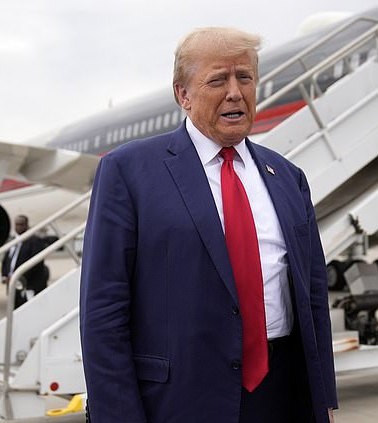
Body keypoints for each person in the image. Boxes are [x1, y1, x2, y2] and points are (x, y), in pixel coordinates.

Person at [80, 27, 337, 422]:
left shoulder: (288, 177)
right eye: (217, 80)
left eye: (245, 78)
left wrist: (322, 400)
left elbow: (313, 295)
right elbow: (103, 310)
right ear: (183, 94)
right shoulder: (128, 171)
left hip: (281, 394)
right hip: (178, 400)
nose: (235, 92)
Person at [1, 215, 49, 308]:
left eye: (21, 224)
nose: (19, 227)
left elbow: (36, 264)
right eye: (17, 224)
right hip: (13, 286)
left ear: (26, 225)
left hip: (28, 285)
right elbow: (6, 261)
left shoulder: (35, 241)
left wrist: (19, 277)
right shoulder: (12, 241)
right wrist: (4, 275)